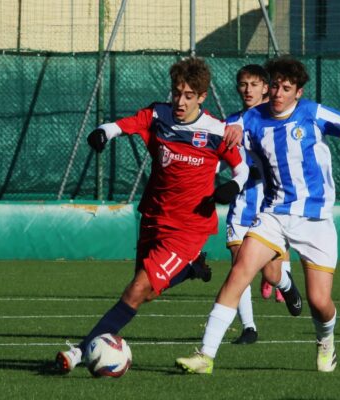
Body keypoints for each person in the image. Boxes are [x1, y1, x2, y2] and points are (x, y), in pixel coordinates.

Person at [176, 56, 340, 374]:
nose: (279, 93)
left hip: (315, 219)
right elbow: (225, 132)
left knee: (319, 301)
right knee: (239, 271)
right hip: (273, 213)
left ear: (298, 92)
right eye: (275, 86)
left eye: (286, 88)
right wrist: (223, 135)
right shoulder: (252, 118)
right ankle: (205, 354)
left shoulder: (312, 112)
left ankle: (326, 341)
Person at [55, 57, 249, 373]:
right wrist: (104, 132)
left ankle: (78, 353)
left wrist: (232, 187)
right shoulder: (159, 115)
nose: (180, 101)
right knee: (141, 292)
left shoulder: (216, 131)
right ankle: (190, 270)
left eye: (188, 95)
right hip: (154, 217)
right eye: (177, 92)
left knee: (136, 290)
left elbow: (242, 170)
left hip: (188, 228)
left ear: (202, 97)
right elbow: (126, 124)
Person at [224, 64, 289, 345]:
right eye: (243, 84)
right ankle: (249, 328)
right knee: (239, 268)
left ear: (266, 87)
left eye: (253, 84)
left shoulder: (277, 120)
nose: (247, 90)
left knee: (271, 273)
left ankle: (286, 284)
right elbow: (218, 156)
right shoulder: (230, 122)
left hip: (270, 209)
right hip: (240, 208)